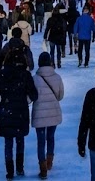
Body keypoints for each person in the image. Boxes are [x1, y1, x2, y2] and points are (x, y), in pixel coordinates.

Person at [0, 47, 39, 179]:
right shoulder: (25, 75)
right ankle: (20, 167)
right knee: (20, 139)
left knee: (8, 141)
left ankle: (9, 171)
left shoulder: (3, 73)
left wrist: (7, 95)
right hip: (21, 109)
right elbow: (34, 94)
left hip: (7, 108)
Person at [32, 52, 64, 180]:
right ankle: (50, 161)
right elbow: (60, 96)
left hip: (39, 112)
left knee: (41, 140)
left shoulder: (35, 78)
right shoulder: (57, 77)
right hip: (53, 112)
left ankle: (43, 167)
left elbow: (31, 97)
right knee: (50, 137)